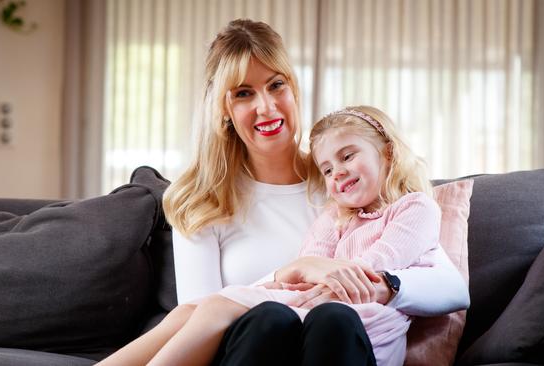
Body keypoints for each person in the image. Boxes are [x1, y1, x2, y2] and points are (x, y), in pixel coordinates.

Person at [97, 19, 469, 366]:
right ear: (224, 111)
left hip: (334, 342)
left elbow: (450, 287)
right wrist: (292, 270)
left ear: (293, 88)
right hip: (252, 348)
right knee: (270, 319)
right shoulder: (201, 202)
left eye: (276, 85)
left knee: (332, 319)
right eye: (244, 93)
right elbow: (199, 319)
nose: (266, 107)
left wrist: (385, 286)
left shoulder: (344, 186)